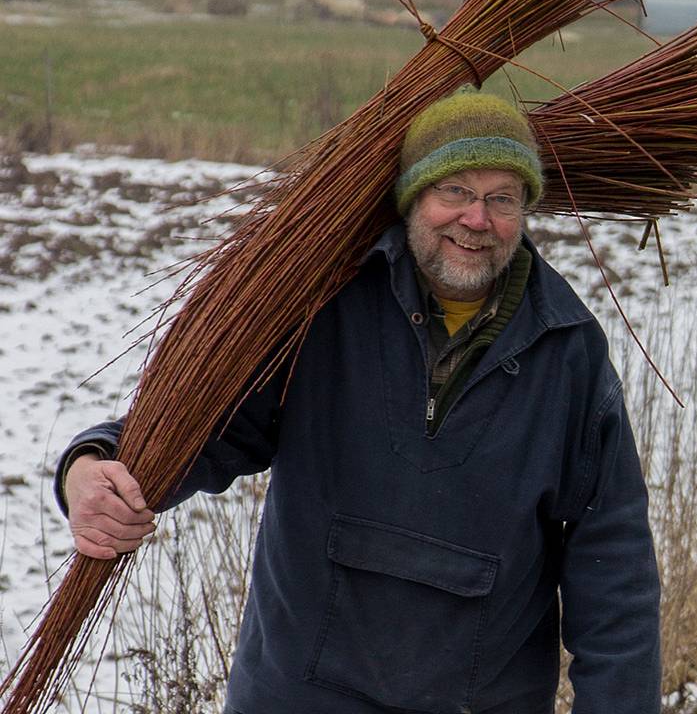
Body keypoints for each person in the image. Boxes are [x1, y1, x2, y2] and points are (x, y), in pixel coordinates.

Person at [57, 90, 661, 714]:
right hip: (295, 698)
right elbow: (210, 428)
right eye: (453, 190)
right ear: (411, 199)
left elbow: (613, 572)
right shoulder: (322, 305)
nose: (477, 220)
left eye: (502, 199)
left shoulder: (567, 350)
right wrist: (91, 465)